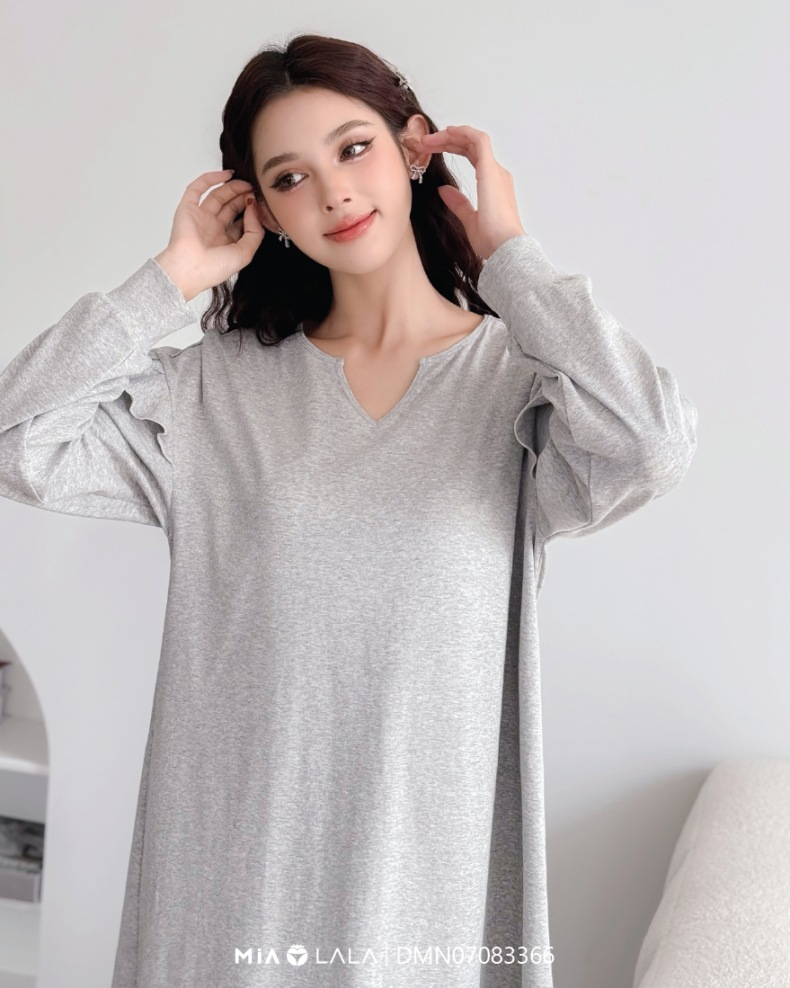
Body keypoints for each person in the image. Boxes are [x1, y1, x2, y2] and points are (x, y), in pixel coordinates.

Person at [0, 32, 698, 988]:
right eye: (289, 177)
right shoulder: (217, 394)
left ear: (414, 147)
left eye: (354, 148)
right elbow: (18, 443)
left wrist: (513, 260)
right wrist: (168, 282)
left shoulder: (518, 388)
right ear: (264, 211)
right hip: (232, 895)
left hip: (427, 904)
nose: (332, 191)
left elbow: (652, 445)